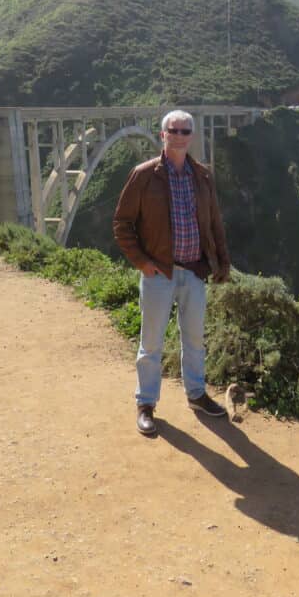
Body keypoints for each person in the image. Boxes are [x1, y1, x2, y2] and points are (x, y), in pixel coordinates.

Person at [113, 109, 232, 436]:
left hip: (194, 271)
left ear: (191, 136)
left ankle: (196, 395)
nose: (179, 135)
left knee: (194, 339)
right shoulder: (144, 174)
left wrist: (222, 260)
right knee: (151, 344)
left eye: (185, 130)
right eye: (173, 130)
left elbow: (214, 222)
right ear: (162, 134)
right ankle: (146, 404)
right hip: (159, 273)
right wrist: (142, 262)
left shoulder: (203, 176)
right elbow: (122, 224)